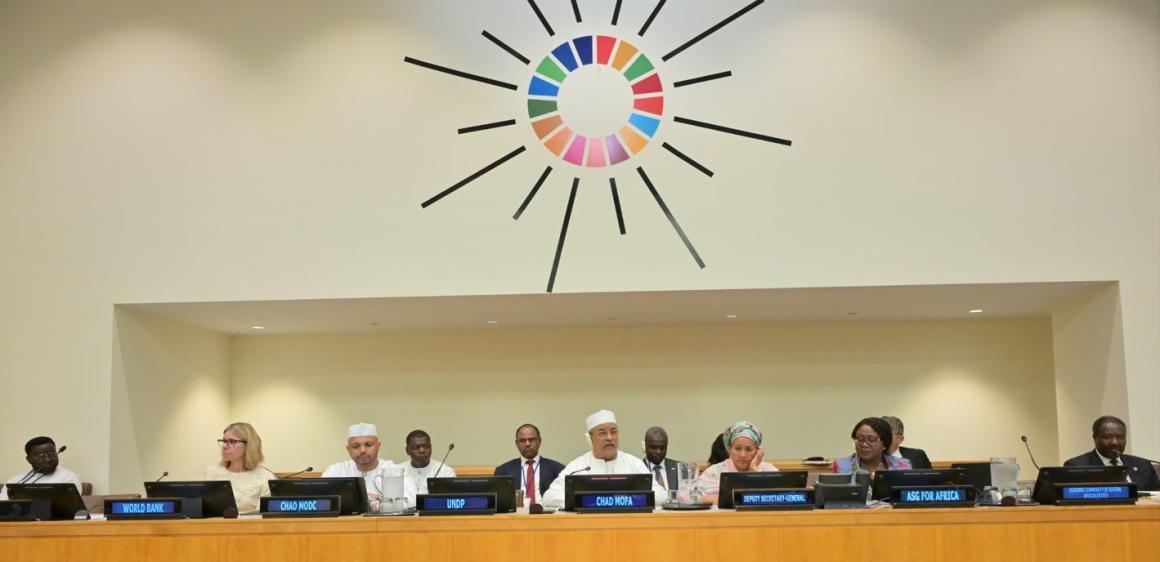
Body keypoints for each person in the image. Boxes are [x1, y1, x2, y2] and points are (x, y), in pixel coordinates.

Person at [541, 409, 666, 508]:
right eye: (602, 433)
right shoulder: (577, 466)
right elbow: (549, 497)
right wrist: (585, 500)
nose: (609, 438)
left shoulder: (633, 463)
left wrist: (629, 499)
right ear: (590, 438)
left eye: (613, 432)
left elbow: (661, 495)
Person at [322, 422, 415, 510]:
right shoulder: (336, 471)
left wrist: (379, 502)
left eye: (368, 445)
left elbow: (412, 500)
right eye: (355, 446)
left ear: (378, 446)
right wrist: (363, 499)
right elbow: (322, 500)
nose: (362, 450)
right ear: (348, 449)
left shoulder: (394, 470)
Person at [1063, 415, 1160, 491]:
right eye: (1107, 437)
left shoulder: (1143, 466)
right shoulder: (1076, 466)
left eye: (1120, 437)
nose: (1114, 442)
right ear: (1095, 438)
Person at [695, 421, 778, 503]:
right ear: (729, 449)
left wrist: (754, 471)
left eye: (749, 449)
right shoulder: (714, 472)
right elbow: (695, 497)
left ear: (758, 451)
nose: (743, 455)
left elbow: (775, 499)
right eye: (737, 448)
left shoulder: (769, 470)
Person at [205, 422, 275, 514]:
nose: (225, 446)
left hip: (250, 523)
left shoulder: (265, 477)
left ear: (249, 445)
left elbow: (262, 516)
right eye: (224, 441)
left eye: (232, 441)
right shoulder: (212, 472)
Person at [493, 423, 565, 505]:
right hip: (517, 512)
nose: (527, 444)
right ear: (516, 443)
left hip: (546, 511)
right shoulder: (503, 471)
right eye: (522, 440)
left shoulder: (557, 469)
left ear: (539, 441)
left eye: (531, 440)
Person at [0, 436, 82, 501]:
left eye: (51, 454)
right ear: (29, 460)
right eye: (42, 456)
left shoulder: (69, 478)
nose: (48, 459)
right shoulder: (14, 482)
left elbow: (67, 506)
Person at [832, 417, 911, 474]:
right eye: (860, 439)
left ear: (885, 443)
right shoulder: (841, 467)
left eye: (871, 440)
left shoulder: (901, 467)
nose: (864, 444)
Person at [403, 429, 456, 496]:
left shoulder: (445, 472)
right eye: (416, 447)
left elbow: (451, 498)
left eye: (426, 446)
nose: (422, 450)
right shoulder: (398, 471)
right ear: (407, 450)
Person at [642, 426, 680, 493]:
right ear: (645, 446)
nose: (658, 452)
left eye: (662, 448)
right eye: (654, 448)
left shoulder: (678, 467)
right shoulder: (638, 468)